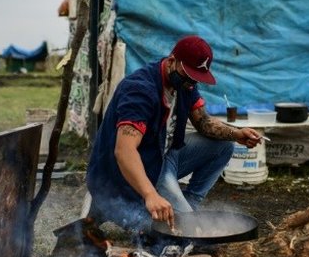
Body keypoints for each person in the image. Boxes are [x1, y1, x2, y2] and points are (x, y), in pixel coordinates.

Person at [86, 35, 263, 232]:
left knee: (223, 146)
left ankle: (187, 207)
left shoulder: (184, 84)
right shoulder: (139, 90)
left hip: (161, 159)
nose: (191, 84)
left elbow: (203, 122)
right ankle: (160, 210)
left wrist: (237, 134)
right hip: (126, 171)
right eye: (189, 77)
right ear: (172, 61)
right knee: (177, 232)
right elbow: (124, 151)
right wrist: (150, 195)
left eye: (196, 80)